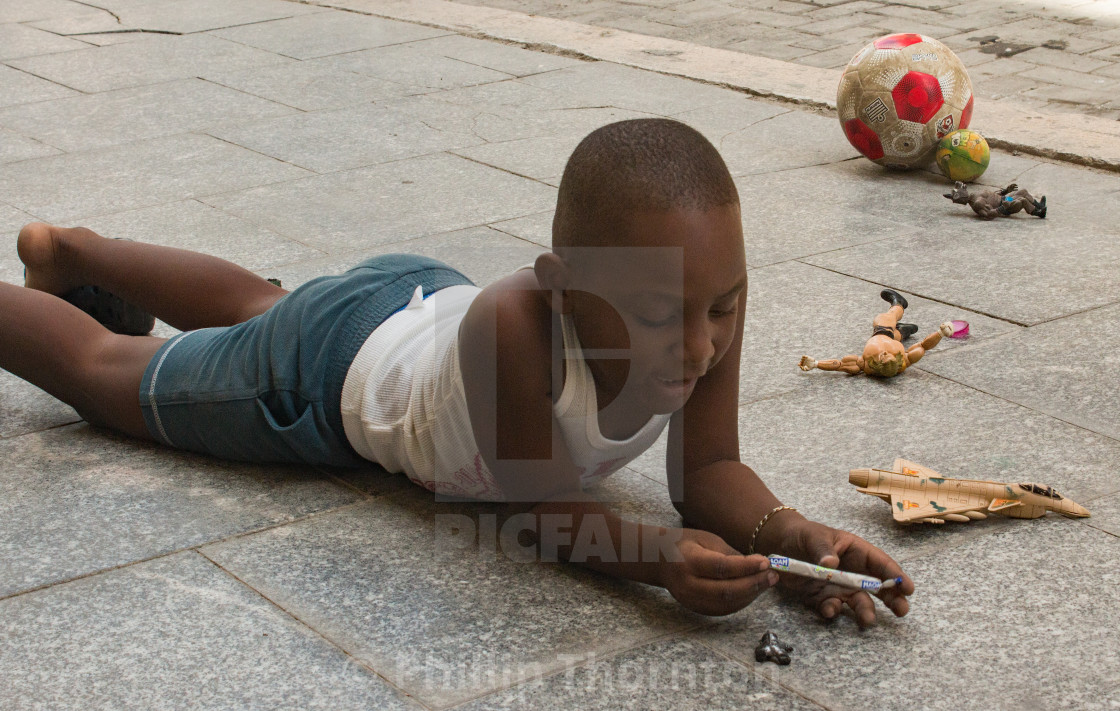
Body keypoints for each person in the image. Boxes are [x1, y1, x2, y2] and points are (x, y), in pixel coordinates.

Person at [1, 119, 913, 624]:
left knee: (258, 302)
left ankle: (78, 248)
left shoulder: (700, 309)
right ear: (562, 292)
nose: (701, 345)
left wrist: (792, 533)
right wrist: (657, 558)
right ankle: (49, 279)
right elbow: (536, 507)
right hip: (324, 377)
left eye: (722, 305)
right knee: (111, 372)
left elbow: (707, 472)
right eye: (658, 317)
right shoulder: (516, 323)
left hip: (409, 302)